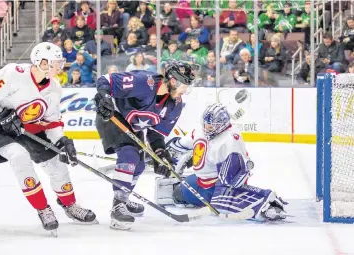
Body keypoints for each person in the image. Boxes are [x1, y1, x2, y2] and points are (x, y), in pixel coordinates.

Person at [0, 42, 97, 235]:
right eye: (57, 62)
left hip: (25, 128)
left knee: (56, 162)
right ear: (43, 63)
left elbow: (52, 121)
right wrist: (1, 115)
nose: (60, 65)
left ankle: (70, 205)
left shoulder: (54, 88)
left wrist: (62, 141)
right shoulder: (13, 73)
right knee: (19, 156)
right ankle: (43, 208)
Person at [93, 60, 196, 230]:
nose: (185, 90)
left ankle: (123, 199)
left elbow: (156, 134)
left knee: (139, 165)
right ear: (173, 80)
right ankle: (117, 207)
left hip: (133, 127)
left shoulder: (175, 105)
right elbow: (105, 80)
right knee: (129, 154)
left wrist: (161, 155)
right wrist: (104, 97)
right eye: (184, 85)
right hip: (113, 117)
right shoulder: (144, 82)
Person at [156, 103, 287, 222]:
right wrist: (162, 153)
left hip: (216, 185)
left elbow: (235, 175)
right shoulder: (200, 131)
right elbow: (181, 144)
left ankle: (262, 203)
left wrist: (224, 194)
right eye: (206, 124)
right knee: (177, 193)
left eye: (212, 125)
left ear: (222, 125)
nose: (208, 128)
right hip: (201, 180)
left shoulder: (230, 140)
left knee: (221, 201)